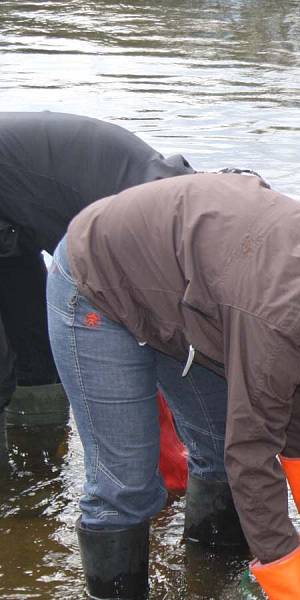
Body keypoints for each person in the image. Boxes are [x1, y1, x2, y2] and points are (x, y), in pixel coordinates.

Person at [46, 172, 300, 599]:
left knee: (215, 447)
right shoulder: (283, 315)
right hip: (98, 282)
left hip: (182, 293)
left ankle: (211, 581)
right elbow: (251, 450)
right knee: (126, 486)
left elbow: (298, 389)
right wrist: (290, 578)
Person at [0, 111, 193, 487]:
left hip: (22, 209)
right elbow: (137, 350)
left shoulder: (186, 218)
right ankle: (14, 505)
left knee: (37, 355)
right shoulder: (161, 232)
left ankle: (40, 474)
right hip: (26, 188)